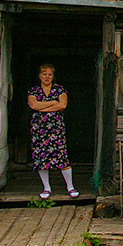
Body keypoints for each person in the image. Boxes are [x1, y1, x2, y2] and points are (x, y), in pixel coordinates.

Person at [28, 63, 77, 199]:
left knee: (62, 157)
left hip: (56, 129)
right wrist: (53, 103)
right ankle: (46, 188)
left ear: (53, 76)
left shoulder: (60, 89)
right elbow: (33, 105)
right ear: (39, 76)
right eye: (44, 74)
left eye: (50, 74)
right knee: (41, 157)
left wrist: (41, 106)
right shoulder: (33, 90)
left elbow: (63, 104)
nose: (47, 77)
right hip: (39, 129)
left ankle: (70, 187)